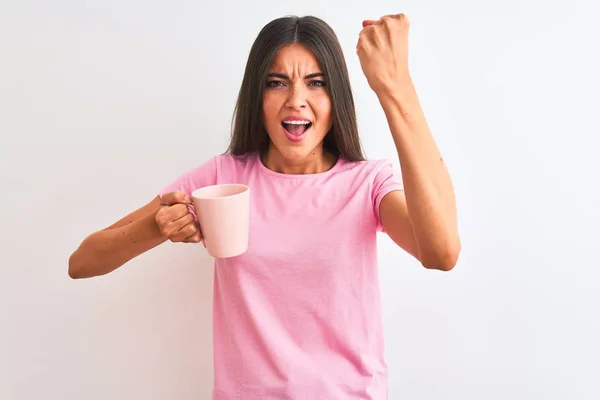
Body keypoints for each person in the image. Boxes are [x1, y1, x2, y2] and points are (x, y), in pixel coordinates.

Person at [68, 14, 461, 400]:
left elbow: (441, 252)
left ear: (336, 95)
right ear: (257, 95)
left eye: (316, 83)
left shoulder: (368, 184)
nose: (296, 101)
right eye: (277, 83)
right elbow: (82, 262)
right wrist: (159, 226)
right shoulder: (222, 178)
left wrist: (396, 88)